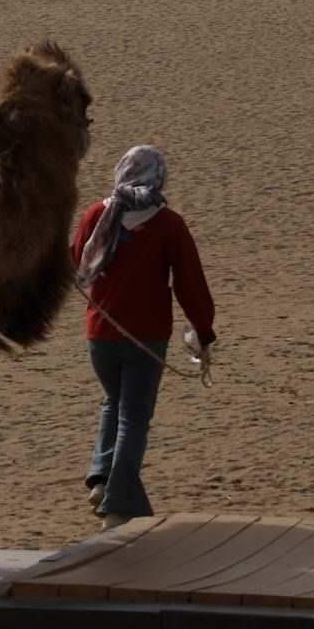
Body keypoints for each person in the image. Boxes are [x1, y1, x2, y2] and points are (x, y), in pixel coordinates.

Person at [70, 146, 217, 529]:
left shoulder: (96, 214)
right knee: (133, 417)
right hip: (145, 337)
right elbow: (190, 284)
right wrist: (203, 332)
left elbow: (76, 261)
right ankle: (118, 505)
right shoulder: (167, 224)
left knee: (114, 402)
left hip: (100, 335)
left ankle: (102, 479)